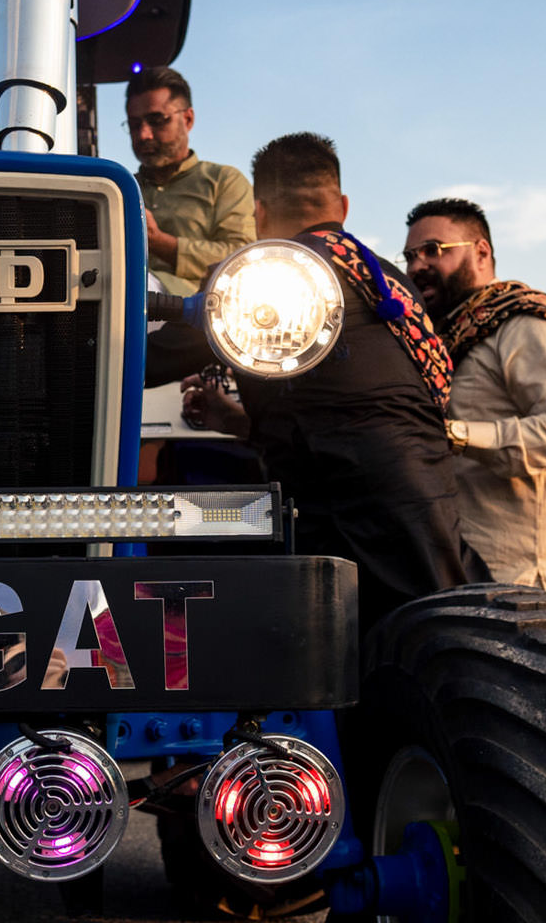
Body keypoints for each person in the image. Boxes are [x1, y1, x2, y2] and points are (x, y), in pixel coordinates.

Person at [181, 134, 481, 629]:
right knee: (442, 654)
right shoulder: (389, 282)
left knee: (344, 667)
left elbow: (148, 356)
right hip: (428, 509)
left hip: (339, 520)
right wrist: (237, 420)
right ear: (342, 205)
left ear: (259, 212)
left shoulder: (262, 281)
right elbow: (348, 405)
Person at [402, 197, 546, 618]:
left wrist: (459, 435)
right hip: (475, 585)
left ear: (481, 251)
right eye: (409, 255)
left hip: (540, 594)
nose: (416, 266)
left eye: (433, 250)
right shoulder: (443, 341)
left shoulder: (527, 321)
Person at [125, 66, 255, 296]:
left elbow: (242, 258)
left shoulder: (224, 182)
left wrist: (161, 243)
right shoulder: (121, 191)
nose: (144, 135)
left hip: (197, 321)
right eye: (135, 125)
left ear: (188, 119)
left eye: (157, 120)